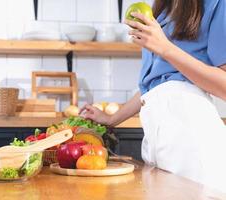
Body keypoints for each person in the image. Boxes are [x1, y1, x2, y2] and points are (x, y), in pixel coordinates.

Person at [80, 0, 226, 193]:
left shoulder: (217, 3)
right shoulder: (163, 10)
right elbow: (156, 84)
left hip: (190, 133)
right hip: (155, 133)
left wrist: (164, 47)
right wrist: (112, 118)